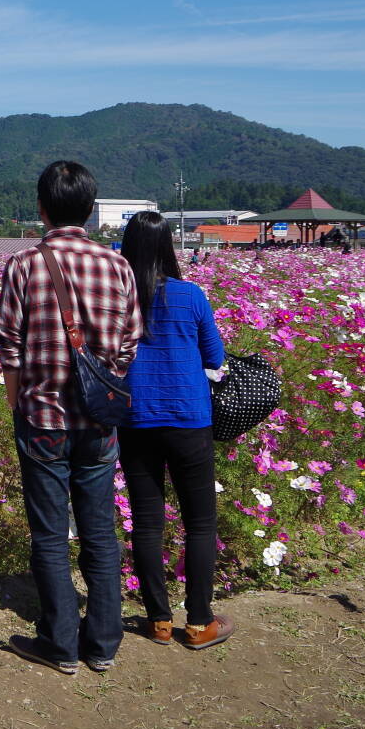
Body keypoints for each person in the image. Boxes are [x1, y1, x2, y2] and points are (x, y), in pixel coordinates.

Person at [0, 161, 140, 675]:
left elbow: (9, 348)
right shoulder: (118, 266)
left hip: (43, 418)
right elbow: (128, 346)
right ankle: (102, 644)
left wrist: (19, 404)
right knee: (101, 532)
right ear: (89, 208)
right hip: (99, 423)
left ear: (41, 207)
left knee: (51, 534)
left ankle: (59, 644)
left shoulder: (24, 266)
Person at [117, 212, 232, 651]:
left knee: (147, 523)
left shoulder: (119, 298)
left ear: (127, 248)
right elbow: (215, 358)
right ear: (168, 246)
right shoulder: (190, 296)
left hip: (136, 419)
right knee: (199, 523)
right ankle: (200, 622)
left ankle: (159, 621)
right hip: (189, 419)